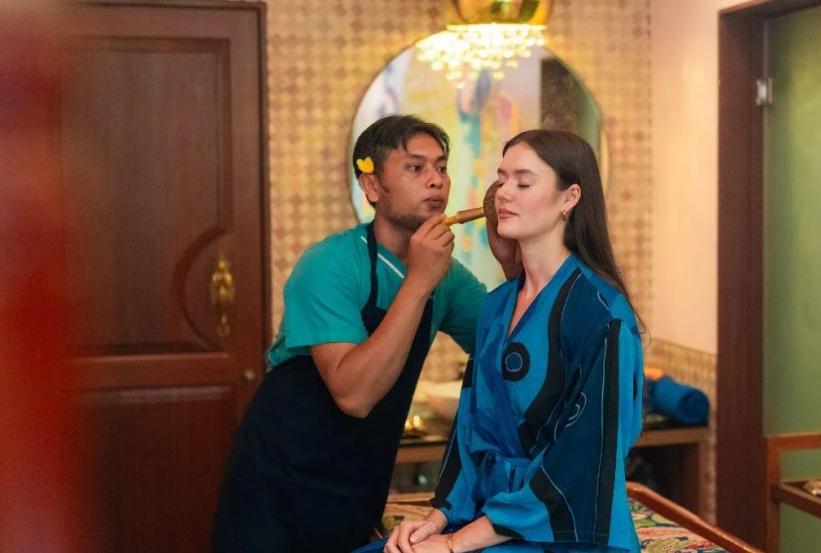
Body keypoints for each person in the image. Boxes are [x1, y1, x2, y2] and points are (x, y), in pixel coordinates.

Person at [212, 115, 518, 553]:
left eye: (441, 167)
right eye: (416, 168)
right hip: (279, 483)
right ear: (371, 186)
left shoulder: (447, 278)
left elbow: (511, 355)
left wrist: (510, 263)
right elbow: (354, 396)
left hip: (358, 484)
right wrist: (418, 282)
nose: (436, 182)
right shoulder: (329, 264)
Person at [373, 129, 645, 553]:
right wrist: (436, 521)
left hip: (569, 532)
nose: (504, 193)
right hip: (494, 519)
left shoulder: (601, 315)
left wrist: (453, 545)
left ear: (569, 198)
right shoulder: (498, 306)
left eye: (523, 181)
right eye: (501, 180)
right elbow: (470, 430)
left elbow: (581, 463)